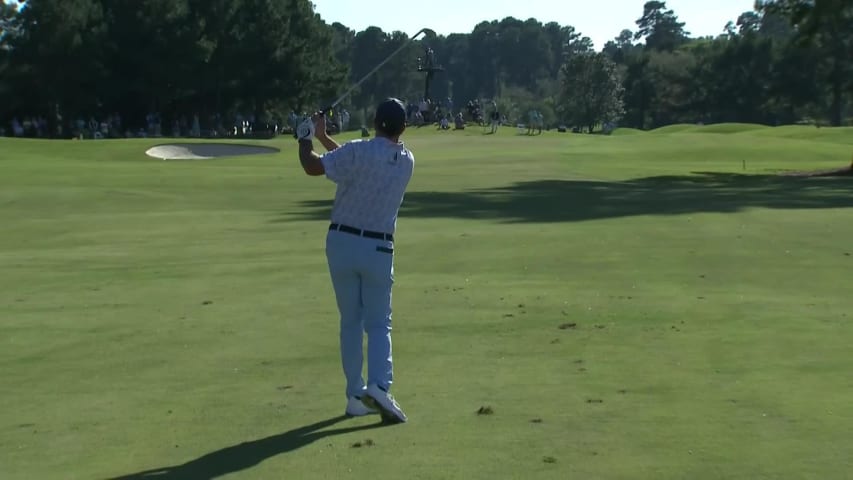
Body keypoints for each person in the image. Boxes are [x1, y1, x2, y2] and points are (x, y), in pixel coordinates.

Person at [296, 98, 414, 424]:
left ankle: (354, 395)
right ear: (403, 128)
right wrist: (321, 137)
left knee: (350, 321)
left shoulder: (358, 151)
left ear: (374, 122)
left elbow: (314, 166)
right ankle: (378, 386)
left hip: (341, 244)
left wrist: (305, 136)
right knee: (378, 322)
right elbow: (352, 162)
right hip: (378, 250)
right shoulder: (406, 161)